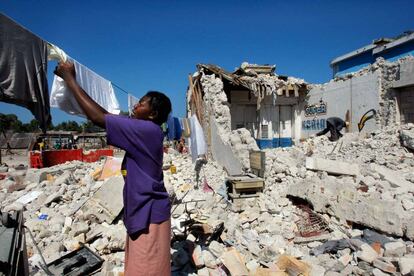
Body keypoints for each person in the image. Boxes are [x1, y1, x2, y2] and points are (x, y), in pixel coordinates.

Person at [54, 62, 172, 275]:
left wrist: (69, 78)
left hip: (149, 216)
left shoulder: (145, 130)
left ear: (153, 114)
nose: (136, 105)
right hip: (145, 212)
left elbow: (98, 118)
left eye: (142, 103)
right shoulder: (147, 131)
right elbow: (104, 115)